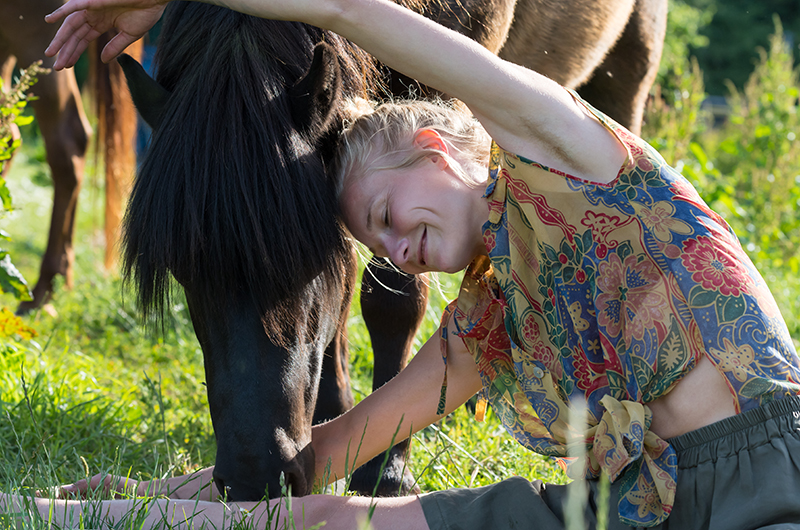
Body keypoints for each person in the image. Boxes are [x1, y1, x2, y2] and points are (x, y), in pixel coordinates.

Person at [4, 0, 799, 528]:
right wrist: (153, 494)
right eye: (375, 245)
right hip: (622, 510)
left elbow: (350, 10)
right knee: (334, 520)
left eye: (384, 217)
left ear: (430, 148)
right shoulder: (491, 320)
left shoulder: (567, 151)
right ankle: (39, 506)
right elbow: (313, 466)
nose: (393, 254)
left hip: (764, 477)